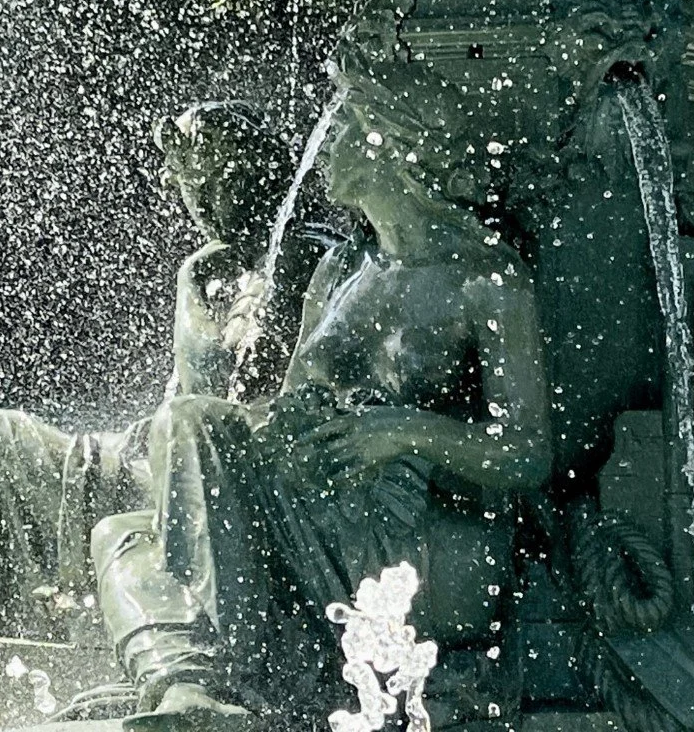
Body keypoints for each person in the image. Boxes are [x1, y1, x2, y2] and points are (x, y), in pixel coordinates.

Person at [94, 75, 552, 729]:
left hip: (406, 526)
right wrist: (270, 434)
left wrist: (403, 429)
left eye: (337, 132)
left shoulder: (486, 279)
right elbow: (288, 404)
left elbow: (528, 453)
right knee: (126, 535)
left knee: (190, 431)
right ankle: (192, 689)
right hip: (321, 497)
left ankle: (226, 681)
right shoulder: (341, 271)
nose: (321, 145)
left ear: (392, 145)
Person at [0, 101, 328, 642]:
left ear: (240, 176)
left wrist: (197, 284)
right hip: (169, 460)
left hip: (212, 489)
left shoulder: (289, 263)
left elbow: (222, 391)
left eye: (200, 183)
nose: (195, 206)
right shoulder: (235, 266)